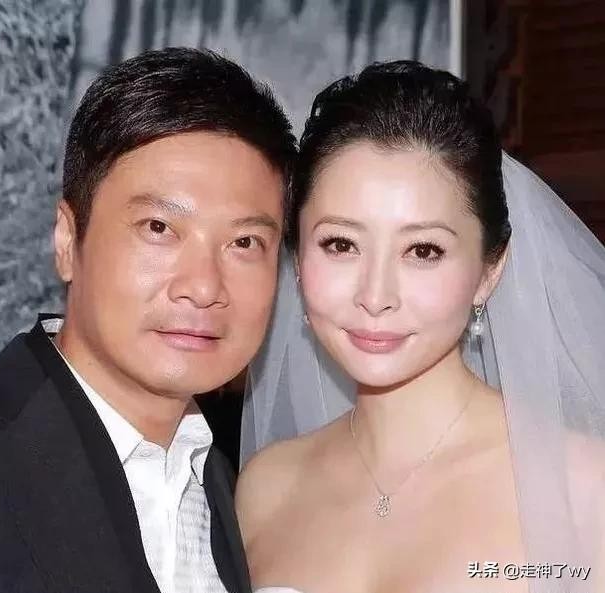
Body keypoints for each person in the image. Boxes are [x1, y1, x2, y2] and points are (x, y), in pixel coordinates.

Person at [237, 61, 605, 593]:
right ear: (297, 256)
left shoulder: (583, 490)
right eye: (340, 244)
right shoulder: (264, 489)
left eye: (423, 251)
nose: (375, 296)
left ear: (489, 271)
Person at [0, 47, 296, 593]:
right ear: (67, 239)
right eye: (158, 228)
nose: (203, 287)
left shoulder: (220, 483)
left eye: (244, 242)